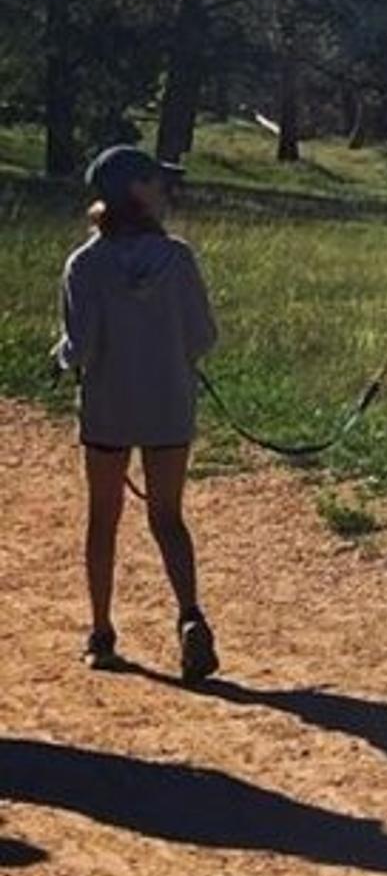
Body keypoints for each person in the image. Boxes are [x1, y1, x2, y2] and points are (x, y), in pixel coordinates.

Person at [54, 145, 220, 683]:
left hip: (108, 408)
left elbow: (79, 348)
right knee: (168, 518)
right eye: (156, 181)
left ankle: (102, 634)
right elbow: (203, 337)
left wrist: (59, 359)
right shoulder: (178, 258)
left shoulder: (84, 265)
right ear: (136, 193)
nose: (165, 189)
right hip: (168, 405)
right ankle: (190, 615)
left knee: (103, 519)